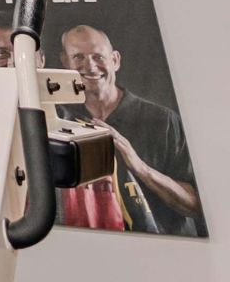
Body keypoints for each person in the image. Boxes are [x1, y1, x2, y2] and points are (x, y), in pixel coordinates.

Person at [58, 23, 204, 237]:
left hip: (164, 253)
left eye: (98, 56)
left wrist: (140, 168)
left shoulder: (163, 121)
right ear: (65, 63)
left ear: (115, 60)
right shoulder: (58, 121)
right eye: (78, 57)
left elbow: (197, 205)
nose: (89, 67)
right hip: (94, 251)